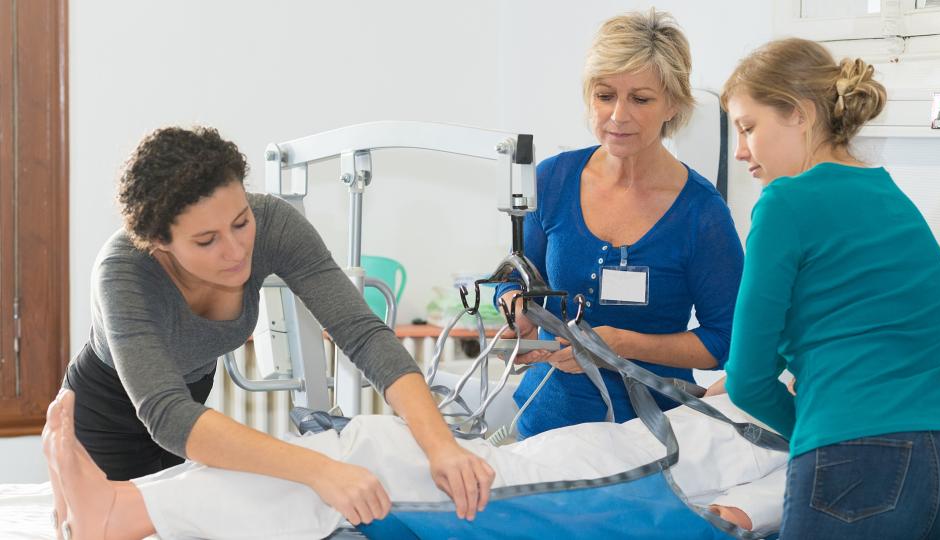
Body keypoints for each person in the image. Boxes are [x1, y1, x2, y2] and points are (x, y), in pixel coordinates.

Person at [57, 127, 494, 530]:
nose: (234, 250)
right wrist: (322, 470)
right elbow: (166, 416)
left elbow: (361, 333)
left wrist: (441, 446)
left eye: (241, 222)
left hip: (190, 402)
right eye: (206, 241)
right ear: (159, 243)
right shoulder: (123, 270)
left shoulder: (274, 225)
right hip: (107, 413)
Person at [721, 38, 940, 538]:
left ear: (800, 115)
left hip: (854, 461)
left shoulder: (784, 203)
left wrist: (812, 430)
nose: (741, 150)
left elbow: (746, 378)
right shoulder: (892, 197)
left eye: (747, 127)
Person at [43, 380, 787, 540]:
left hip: (623, 482)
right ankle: (128, 501)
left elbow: (768, 501)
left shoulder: (827, 431)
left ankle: (122, 511)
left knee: (369, 459)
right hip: (594, 447)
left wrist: (732, 521)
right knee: (336, 452)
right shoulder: (772, 383)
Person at [494, 9, 743, 438]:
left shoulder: (700, 213)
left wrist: (621, 346)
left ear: (673, 104)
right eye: (605, 96)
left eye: (640, 99)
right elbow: (512, 276)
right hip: (543, 427)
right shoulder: (551, 180)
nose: (618, 116)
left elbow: (726, 341)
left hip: (648, 440)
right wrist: (516, 311)